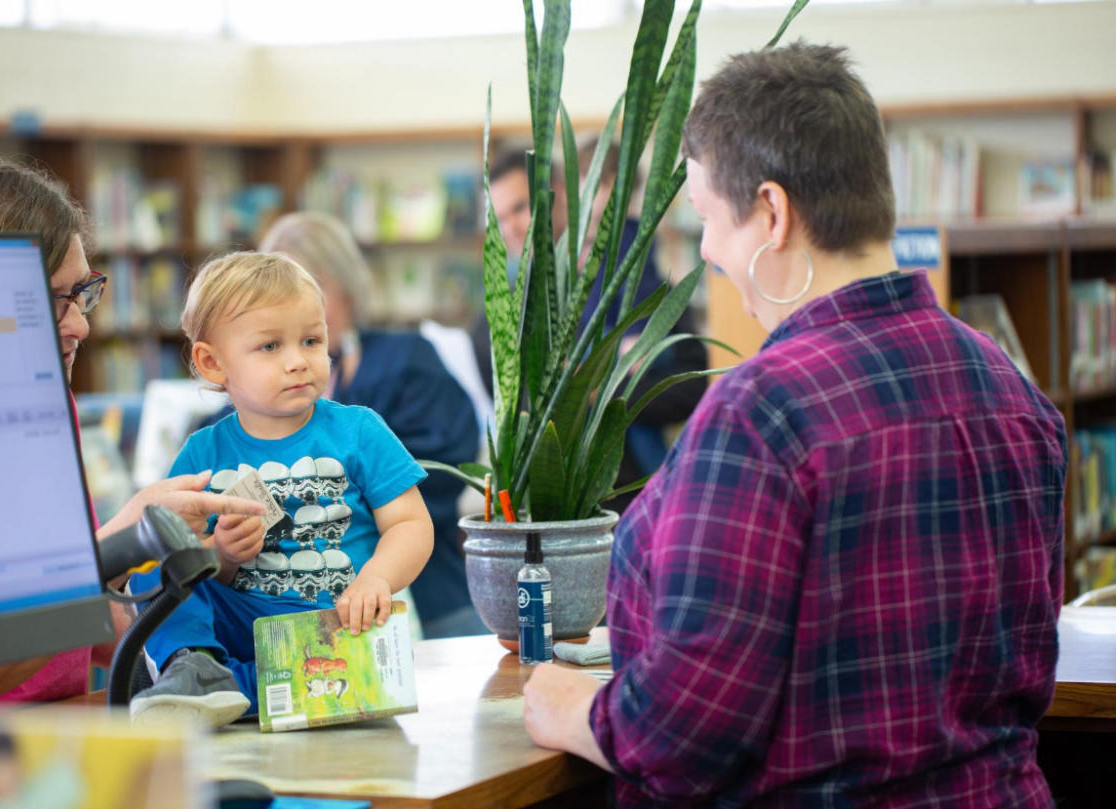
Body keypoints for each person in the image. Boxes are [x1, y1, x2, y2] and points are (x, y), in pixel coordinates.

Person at [523, 42, 1067, 809]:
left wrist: (569, 706)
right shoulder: (1013, 390)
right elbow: (1028, 669)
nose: (707, 251)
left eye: (708, 218)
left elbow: (683, 734)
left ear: (773, 213)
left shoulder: (759, 413)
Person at [0, 157, 266, 708]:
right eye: (52, 301)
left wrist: (208, 645)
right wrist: (126, 540)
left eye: (83, 293)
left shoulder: (51, 408)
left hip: (65, 727)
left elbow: (90, 625)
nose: (80, 323)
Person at [128, 251, 434, 726]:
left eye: (311, 340)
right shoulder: (201, 453)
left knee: (348, 666)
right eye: (270, 346)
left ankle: (227, 690)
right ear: (212, 363)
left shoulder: (359, 430)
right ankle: (198, 668)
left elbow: (411, 524)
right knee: (153, 564)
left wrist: (377, 579)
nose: (297, 362)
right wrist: (222, 555)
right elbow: (192, 567)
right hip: (239, 623)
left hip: (337, 623)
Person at [257, 212, 488, 638]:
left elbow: (435, 472)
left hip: (423, 599)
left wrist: (321, 504)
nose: (293, 305)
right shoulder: (262, 391)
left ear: (345, 284)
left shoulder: (407, 359)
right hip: (299, 618)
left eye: (311, 286)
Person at [475, 143, 708, 513]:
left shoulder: (635, 280)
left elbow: (691, 387)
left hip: (641, 497)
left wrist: (602, 390)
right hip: (549, 508)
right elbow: (511, 414)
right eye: (498, 219)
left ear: (561, 194)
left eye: (520, 208)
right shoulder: (500, 315)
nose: (511, 229)